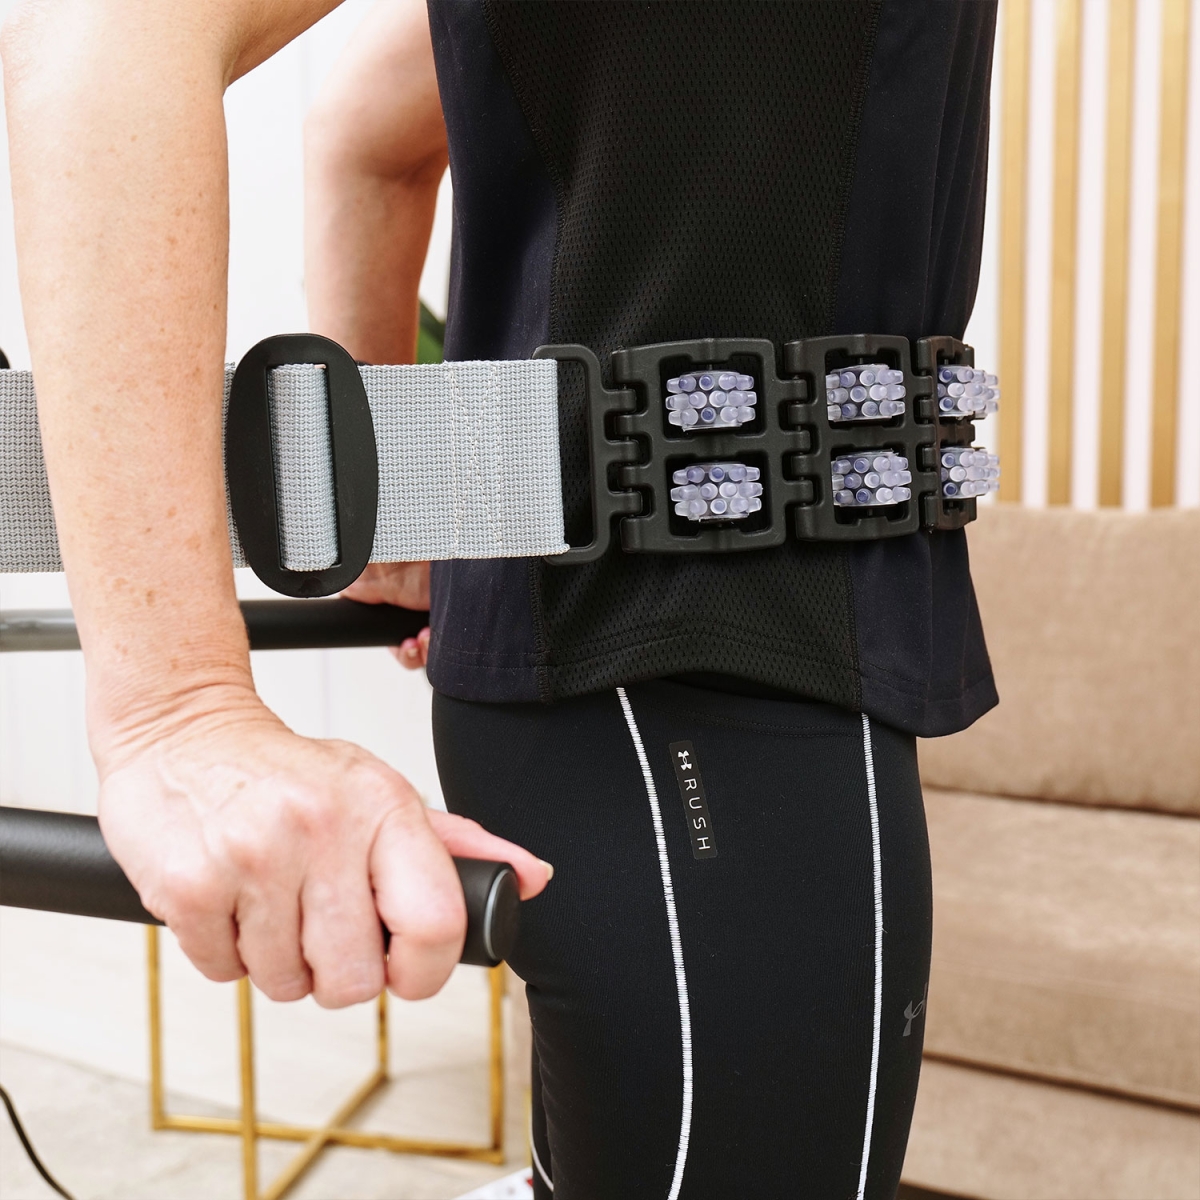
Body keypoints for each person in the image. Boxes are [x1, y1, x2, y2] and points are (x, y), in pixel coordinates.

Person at [3, 1, 998, 1196]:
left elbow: (369, 125)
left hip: (704, 662)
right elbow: (107, 24)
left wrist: (388, 518)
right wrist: (179, 712)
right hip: (678, 679)